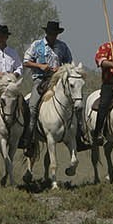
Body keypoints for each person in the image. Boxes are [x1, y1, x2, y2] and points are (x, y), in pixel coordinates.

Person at [19, 20, 75, 150]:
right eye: (51, 33)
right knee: (32, 106)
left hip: (59, 81)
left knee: (76, 103)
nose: (53, 36)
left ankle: (78, 135)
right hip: (40, 80)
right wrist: (40, 66)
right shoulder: (37, 45)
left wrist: (61, 70)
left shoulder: (63, 47)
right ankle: (29, 137)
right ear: (46, 33)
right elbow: (26, 61)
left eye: (55, 33)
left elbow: (70, 63)